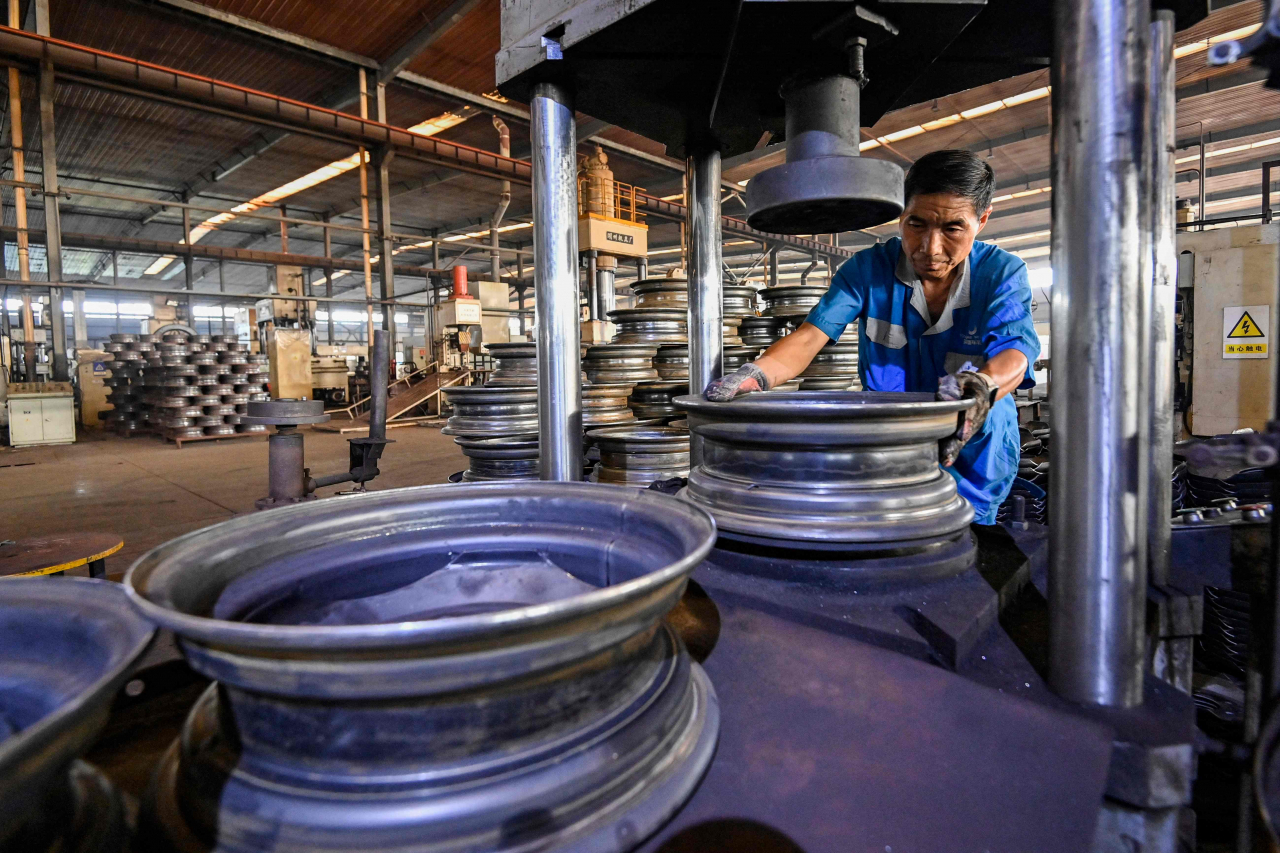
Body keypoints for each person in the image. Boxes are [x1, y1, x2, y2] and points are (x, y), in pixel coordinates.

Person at [705, 149, 1040, 525]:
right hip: (889, 447)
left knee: (962, 547)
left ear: (982, 220)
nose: (930, 248)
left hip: (972, 447)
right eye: (916, 224)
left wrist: (982, 385)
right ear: (901, 214)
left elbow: (1015, 350)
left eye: (952, 228)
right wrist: (756, 373)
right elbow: (808, 337)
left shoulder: (1002, 274)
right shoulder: (866, 270)